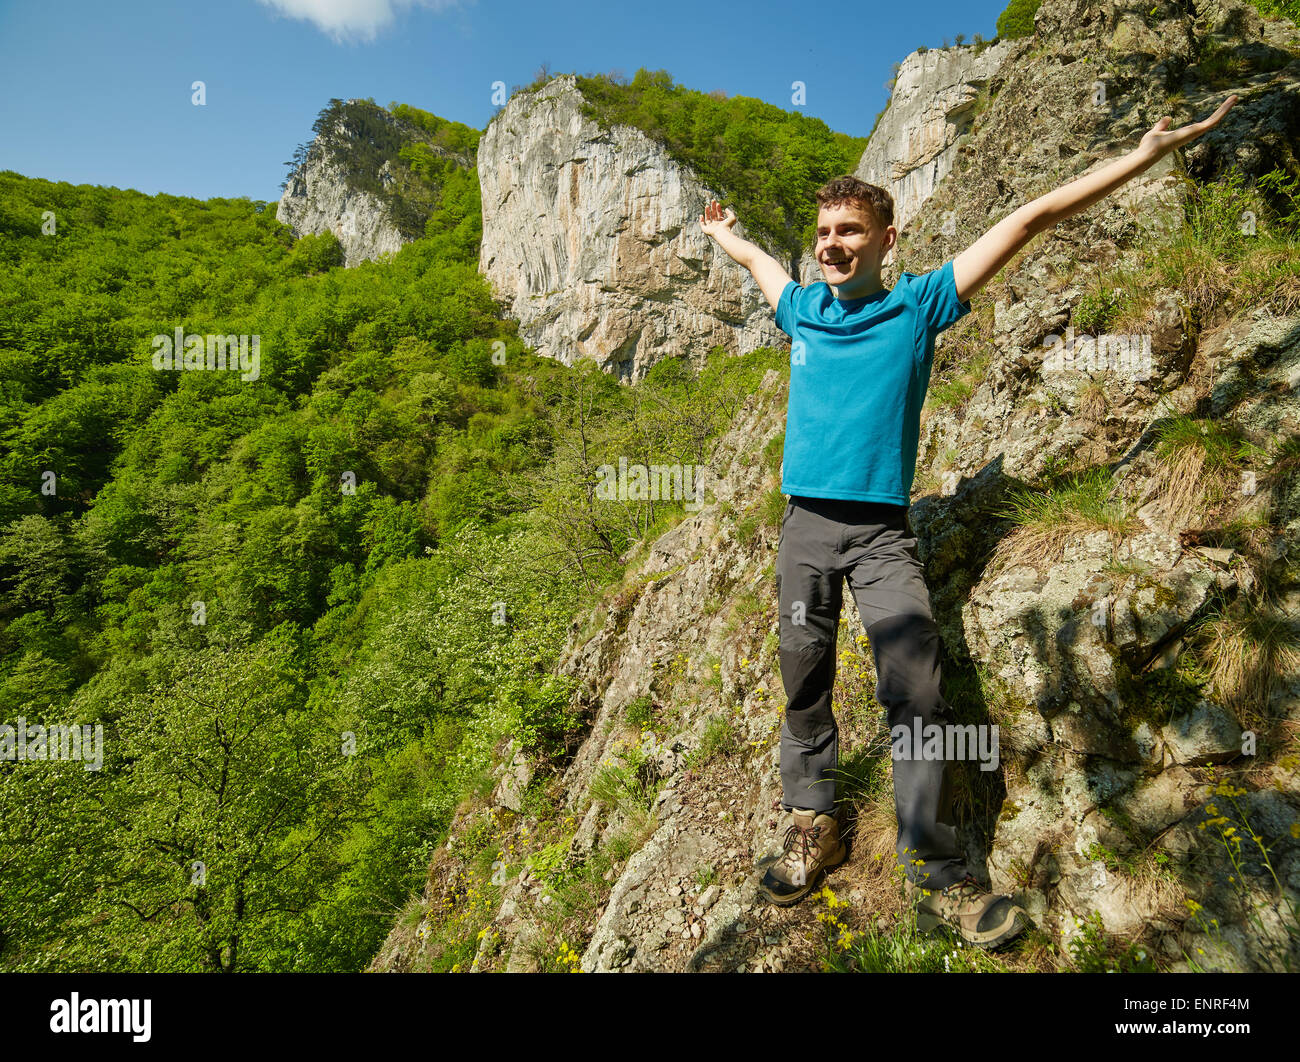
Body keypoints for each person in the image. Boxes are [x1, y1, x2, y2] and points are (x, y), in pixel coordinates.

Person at [698, 96, 1236, 949]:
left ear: (886, 239)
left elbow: (1032, 218)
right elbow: (756, 259)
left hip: (879, 532)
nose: (832, 244)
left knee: (915, 687)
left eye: (851, 231)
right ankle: (814, 820)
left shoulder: (918, 307)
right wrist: (721, 231)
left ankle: (933, 866)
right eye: (825, 232)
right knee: (802, 668)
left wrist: (1145, 154)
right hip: (804, 526)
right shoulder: (801, 307)